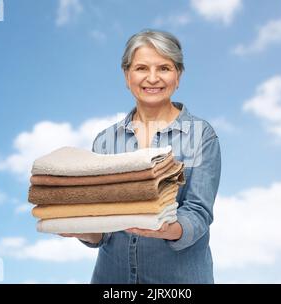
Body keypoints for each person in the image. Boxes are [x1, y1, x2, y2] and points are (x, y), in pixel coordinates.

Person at [60, 29, 221, 284]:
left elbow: (198, 212)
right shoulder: (105, 141)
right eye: (142, 68)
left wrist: (169, 229)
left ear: (178, 76)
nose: (153, 78)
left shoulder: (201, 136)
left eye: (164, 68)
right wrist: (82, 230)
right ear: (127, 76)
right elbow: (103, 227)